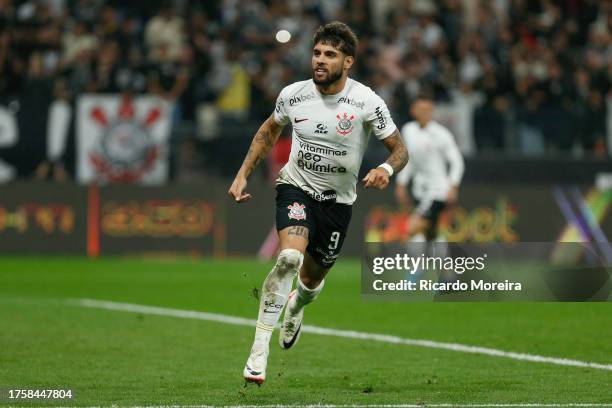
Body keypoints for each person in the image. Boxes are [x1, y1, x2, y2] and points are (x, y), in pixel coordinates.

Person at [228, 21, 408, 385]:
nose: (320, 61)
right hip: (296, 188)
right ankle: (259, 349)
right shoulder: (294, 95)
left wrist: (386, 169)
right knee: (289, 258)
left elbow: (400, 150)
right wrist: (243, 172)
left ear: (348, 61)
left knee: (310, 282)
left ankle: (296, 306)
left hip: (338, 203)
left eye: (330, 55)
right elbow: (268, 132)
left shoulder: (367, 101)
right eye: (317, 53)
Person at [394, 93, 464, 242]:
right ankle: (443, 264)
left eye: (428, 109)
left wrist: (453, 185)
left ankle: (416, 266)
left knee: (413, 228)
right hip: (420, 190)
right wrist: (401, 183)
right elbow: (409, 159)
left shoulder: (441, 134)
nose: (424, 113)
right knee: (430, 234)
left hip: (438, 191)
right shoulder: (408, 130)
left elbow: (457, 161)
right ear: (413, 110)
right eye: (421, 109)